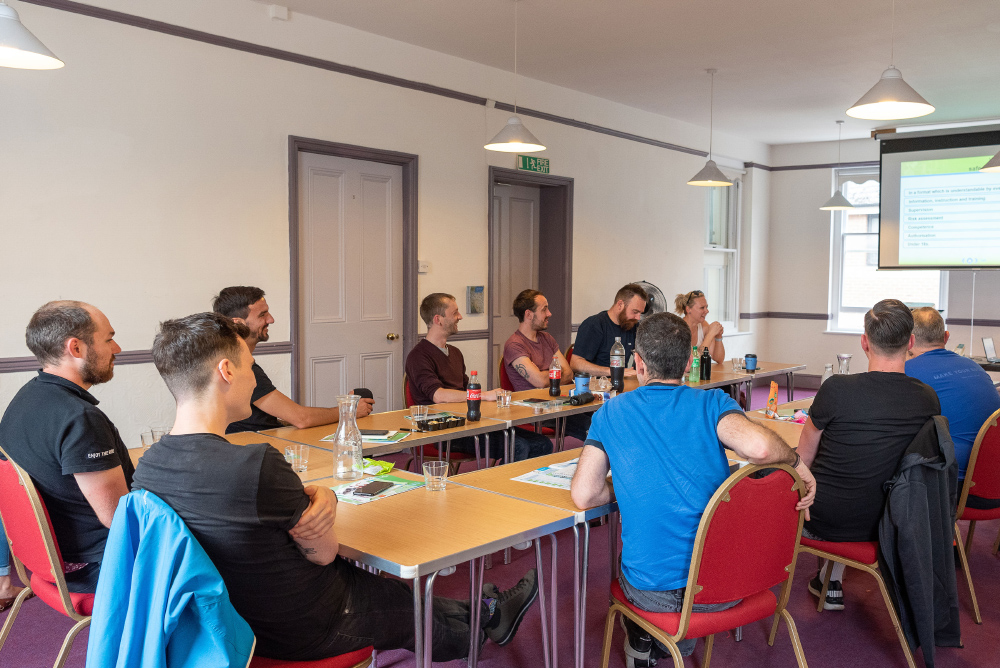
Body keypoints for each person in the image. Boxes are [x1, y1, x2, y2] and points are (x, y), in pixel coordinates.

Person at [134, 312, 539, 661]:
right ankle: (486, 623)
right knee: (402, 610)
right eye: (248, 366)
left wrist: (323, 499)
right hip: (303, 624)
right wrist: (324, 498)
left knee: (394, 596)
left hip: (233, 616)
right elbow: (325, 553)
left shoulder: (148, 466)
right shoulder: (255, 464)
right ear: (226, 371)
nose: (252, 377)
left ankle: (486, 607)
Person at [570, 312, 815, 667]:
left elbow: (585, 496)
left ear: (637, 363)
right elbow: (761, 449)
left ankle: (644, 636)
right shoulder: (712, 404)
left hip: (655, 595)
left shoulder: (612, 413)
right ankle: (678, 641)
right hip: (729, 585)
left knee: (626, 571)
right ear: (688, 362)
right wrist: (796, 463)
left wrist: (625, 485)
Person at [796, 299, 940, 611]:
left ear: (864, 342)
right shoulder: (927, 398)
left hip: (827, 520)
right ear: (911, 343)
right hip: (895, 518)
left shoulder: (836, 389)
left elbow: (801, 462)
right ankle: (828, 577)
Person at [0, 301, 134, 593]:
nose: (118, 348)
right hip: (100, 568)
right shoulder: (80, 418)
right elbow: (121, 519)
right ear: (76, 348)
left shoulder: (25, 398)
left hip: (48, 563)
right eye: (109, 339)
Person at [406, 293, 552, 461]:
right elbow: (438, 395)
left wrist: (491, 399)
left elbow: (466, 390)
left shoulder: (455, 352)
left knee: (543, 443)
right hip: (444, 431)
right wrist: (484, 395)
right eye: (455, 313)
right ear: (438, 319)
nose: (460, 317)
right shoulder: (418, 356)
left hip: (469, 423)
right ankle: (501, 487)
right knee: (519, 447)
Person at [212, 286, 374, 433]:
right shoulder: (238, 366)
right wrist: (349, 409)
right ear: (238, 323)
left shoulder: (228, 358)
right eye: (262, 315)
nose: (271, 319)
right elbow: (301, 419)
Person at [906, 307, 1000, 495]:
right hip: (992, 482)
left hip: (951, 486)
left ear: (909, 340)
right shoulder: (976, 367)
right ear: (946, 336)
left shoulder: (908, 372)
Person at [503, 289, 590, 442]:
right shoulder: (514, 345)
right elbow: (539, 382)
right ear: (529, 314)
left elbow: (568, 373)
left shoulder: (547, 338)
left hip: (559, 403)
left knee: (604, 415)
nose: (549, 314)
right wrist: (552, 375)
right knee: (592, 425)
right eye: (544, 309)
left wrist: (547, 375)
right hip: (535, 410)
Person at [570, 284, 648, 378]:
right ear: (620, 305)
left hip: (620, 383)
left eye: (640, 313)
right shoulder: (594, 324)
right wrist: (611, 372)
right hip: (594, 386)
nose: (638, 318)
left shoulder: (633, 327)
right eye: (635, 312)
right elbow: (575, 363)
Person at [674, 290, 726, 364]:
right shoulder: (679, 329)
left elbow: (719, 359)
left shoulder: (703, 325)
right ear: (688, 309)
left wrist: (718, 337)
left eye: (706, 307)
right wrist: (710, 334)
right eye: (702, 308)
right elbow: (693, 360)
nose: (707, 311)